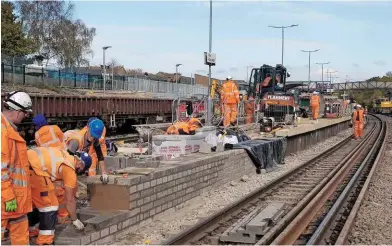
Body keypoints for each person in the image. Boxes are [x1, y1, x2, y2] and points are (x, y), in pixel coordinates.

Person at [27, 148, 91, 245]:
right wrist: (75, 219)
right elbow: (70, 200)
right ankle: (45, 242)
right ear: (80, 164)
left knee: (34, 202)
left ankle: (30, 229)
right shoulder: (70, 169)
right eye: (82, 169)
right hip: (35, 169)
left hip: (24, 165)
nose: (80, 172)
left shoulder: (65, 156)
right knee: (50, 206)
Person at [1, 91, 33, 245]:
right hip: (6, 200)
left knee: (21, 237)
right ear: (18, 111)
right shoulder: (2, 132)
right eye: (25, 113)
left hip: (15, 200)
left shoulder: (9, 131)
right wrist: (8, 197)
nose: (25, 117)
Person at [66, 118, 109, 184]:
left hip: (73, 154)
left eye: (95, 136)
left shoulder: (94, 139)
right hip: (63, 155)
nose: (92, 138)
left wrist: (104, 172)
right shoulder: (76, 141)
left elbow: (100, 155)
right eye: (92, 135)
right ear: (88, 128)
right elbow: (67, 160)